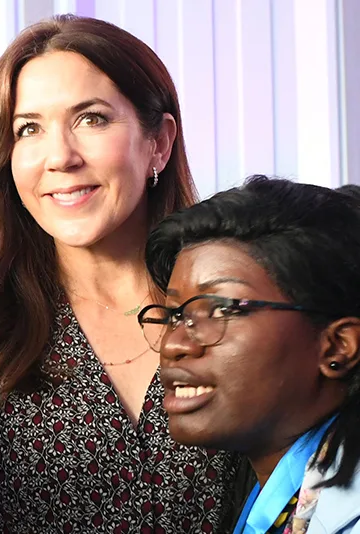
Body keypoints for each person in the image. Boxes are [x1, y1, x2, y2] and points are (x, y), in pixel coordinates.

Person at [0, 14, 242, 533]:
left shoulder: (243, 318)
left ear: (158, 143)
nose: (60, 157)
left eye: (91, 119)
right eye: (28, 129)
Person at [142, 175, 360, 533]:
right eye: (175, 315)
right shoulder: (272, 501)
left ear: (338, 346)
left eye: (222, 309)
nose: (174, 344)